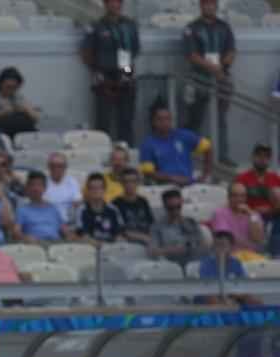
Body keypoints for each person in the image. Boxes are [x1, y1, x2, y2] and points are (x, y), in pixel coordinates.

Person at [182, 0, 235, 162]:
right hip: (199, 78)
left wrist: (223, 65)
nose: (209, 7)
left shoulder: (224, 27)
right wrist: (214, 68)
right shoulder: (191, 28)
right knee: (195, 118)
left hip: (220, 79)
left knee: (221, 118)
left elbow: (231, 50)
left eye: (212, 4)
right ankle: (191, 157)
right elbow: (192, 55)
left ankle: (222, 156)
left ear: (216, 6)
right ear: (201, 6)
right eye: (206, 4)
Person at [83, 0, 140, 144]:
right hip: (104, 77)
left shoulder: (130, 25)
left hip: (125, 72)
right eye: (110, 2)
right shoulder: (96, 26)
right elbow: (87, 53)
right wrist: (97, 72)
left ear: (121, 4)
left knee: (126, 120)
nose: (114, 5)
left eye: (117, 2)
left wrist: (127, 72)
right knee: (103, 121)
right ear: (105, 4)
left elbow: (134, 50)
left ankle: (126, 153)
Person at [139, 106, 211, 187]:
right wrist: (171, 178)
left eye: (167, 119)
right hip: (164, 186)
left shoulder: (183, 135)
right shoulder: (148, 144)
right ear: (153, 122)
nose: (164, 122)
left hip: (190, 184)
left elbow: (207, 148)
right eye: (160, 119)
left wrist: (205, 174)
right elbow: (148, 172)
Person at [149, 189, 207, 265]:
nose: (175, 211)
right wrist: (173, 250)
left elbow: (203, 246)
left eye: (178, 207)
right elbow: (153, 251)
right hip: (171, 266)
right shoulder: (157, 227)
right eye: (171, 208)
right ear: (164, 206)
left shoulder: (191, 222)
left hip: (194, 263)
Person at [210, 182, 265, 256]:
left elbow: (257, 239)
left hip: (251, 256)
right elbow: (225, 240)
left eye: (242, 196)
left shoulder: (253, 215)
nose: (239, 199)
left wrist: (251, 215)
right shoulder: (220, 213)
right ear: (229, 197)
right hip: (229, 256)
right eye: (235, 196)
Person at [14, 170, 69, 243]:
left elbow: (65, 231)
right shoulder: (22, 210)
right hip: (35, 247)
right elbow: (16, 233)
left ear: (45, 188)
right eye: (32, 185)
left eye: (39, 185)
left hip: (55, 245)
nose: (36, 188)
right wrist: (25, 237)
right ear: (27, 188)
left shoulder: (53, 209)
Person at [0, 66, 39, 137]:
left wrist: (25, 109)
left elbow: (36, 118)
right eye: (8, 87)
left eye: (14, 87)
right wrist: (2, 113)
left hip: (23, 133)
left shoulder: (20, 98)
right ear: (0, 84)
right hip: (2, 133)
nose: (11, 90)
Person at [233, 143, 280, 220]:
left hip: (273, 217)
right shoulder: (242, 178)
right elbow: (235, 202)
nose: (262, 159)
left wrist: (270, 210)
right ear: (253, 157)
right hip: (248, 217)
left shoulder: (275, 178)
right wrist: (252, 211)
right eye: (259, 155)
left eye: (266, 156)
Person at [76, 173, 124, 244]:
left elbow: (119, 234)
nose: (96, 191)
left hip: (112, 248)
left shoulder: (113, 210)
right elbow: (83, 235)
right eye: (93, 188)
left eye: (99, 188)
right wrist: (100, 245)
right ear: (88, 191)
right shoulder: (82, 210)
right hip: (90, 248)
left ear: (104, 190)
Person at [112, 168, 154, 246]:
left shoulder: (143, 201)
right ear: (121, 183)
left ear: (138, 182)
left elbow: (151, 223)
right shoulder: (115, 204)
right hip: (128, 242)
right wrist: (143, 237)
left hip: (147, 241)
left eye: (133, 181)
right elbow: (120, 230)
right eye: (126, 181)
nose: (130, 184)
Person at [44, 152, 82, 223]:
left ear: (65, 167)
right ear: (48, 167)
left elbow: (77, 202)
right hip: (47, 221)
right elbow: (41, 204)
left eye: (60, 166)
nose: (56, 168)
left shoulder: (72, 182)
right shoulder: (42, 182)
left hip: (68, 221)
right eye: (53, 165)